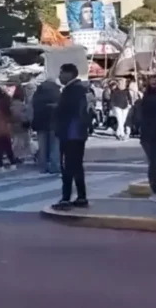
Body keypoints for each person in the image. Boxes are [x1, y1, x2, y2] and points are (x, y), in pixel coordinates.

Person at [52, 63, 92, 211]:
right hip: (79, 133)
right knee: (77, 166)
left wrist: (55, 109)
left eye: (61, 73)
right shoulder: (82, 89)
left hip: (70, 133)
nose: (60, 76)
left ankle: (66, 198)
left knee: (67, 166)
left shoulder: (71, 91)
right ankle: (81, 196)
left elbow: (67, 112)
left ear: (69, 74)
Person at [31, 79, 61, 174]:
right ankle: (54, 166)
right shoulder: (57, 93)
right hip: (54, 123)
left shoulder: (38, 94)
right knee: (55, 145)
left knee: (43, 146)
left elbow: (33, 108)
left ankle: (43, 166)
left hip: (40, 123)